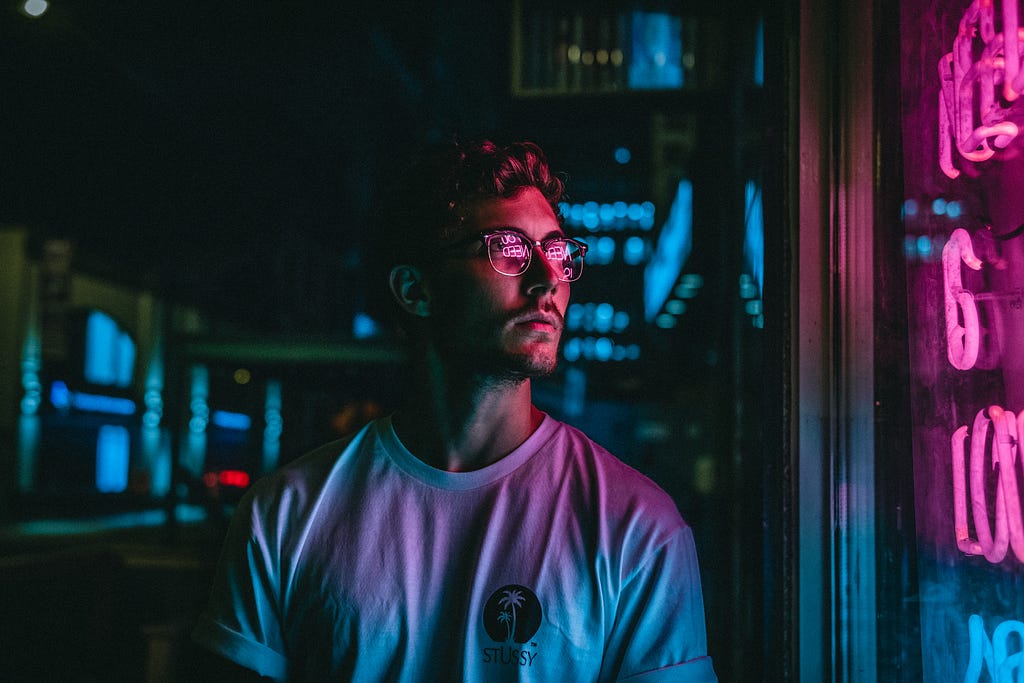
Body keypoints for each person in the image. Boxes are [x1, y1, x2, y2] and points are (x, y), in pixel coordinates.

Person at [191, 138, 717, 681]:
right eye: (507, 249)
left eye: (557, 251)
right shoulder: (283, 515)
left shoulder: (636, 525)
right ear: (416, 290)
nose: (548, 280)